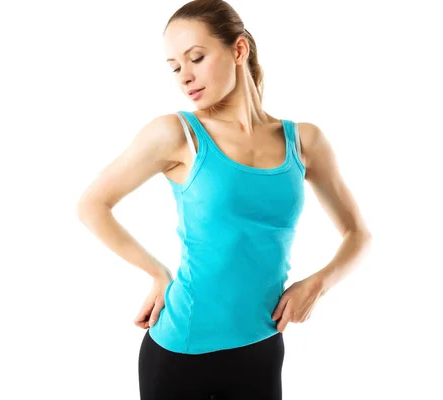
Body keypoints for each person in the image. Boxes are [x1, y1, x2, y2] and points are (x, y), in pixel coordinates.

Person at [76, 0, 372, 399]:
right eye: (175, 67)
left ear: (238, 50)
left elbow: (357, 233)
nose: (185, 77)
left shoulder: (304, 141)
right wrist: (158, 274)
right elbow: (92, 205)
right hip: (180, 351)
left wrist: (317, 285)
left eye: (196, 58)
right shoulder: (179, 134)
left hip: (261, 346)